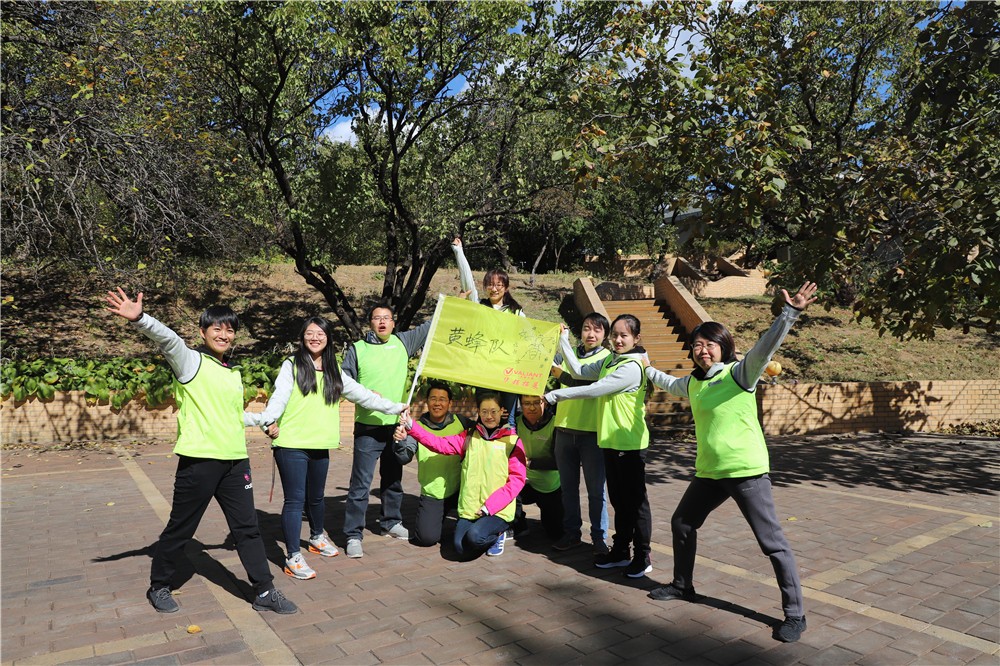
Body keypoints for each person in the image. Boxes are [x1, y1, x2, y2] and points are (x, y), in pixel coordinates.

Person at [642, 281, 818, 644]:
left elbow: (765, 347)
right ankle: (682, 585)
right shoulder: (694, 383)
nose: (702, 350)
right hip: (709, 473)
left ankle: (795, 614)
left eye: (710, 344)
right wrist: (645, 367)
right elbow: (668, 383)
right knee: (682, 523)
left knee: (772, 543)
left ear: (723, 347)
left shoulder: (740, 374)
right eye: (697, 344)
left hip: (746, 472)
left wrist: (790, 313)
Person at [105, 288, 297, 615]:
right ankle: (159, 585)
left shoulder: (231, 371)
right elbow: (168, 340)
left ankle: (264, 591)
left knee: (248, 528)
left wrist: (262, 421)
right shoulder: (190, 362)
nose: (224, 335)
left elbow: (231, 415)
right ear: (203, 332)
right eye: (217, 328)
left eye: (230, 330)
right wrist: (141, 319)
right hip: (200, 462)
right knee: (182, 528)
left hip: (235, 461)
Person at [246, 316, 409, 580]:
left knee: (317, 497)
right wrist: (268, 420)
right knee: (295, 500)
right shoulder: (292, 365)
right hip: (291, 444)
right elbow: (279, 397)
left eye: (320, 334)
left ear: (328, 338)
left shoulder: (334, 369)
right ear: (302, 337)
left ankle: (316, 537)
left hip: (320, 443)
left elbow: (363, 395)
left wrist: (396, 407)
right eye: (310, 333)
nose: (315, 338)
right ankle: (292, 556)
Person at [543, 314, 653, 579]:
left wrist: (554, 395)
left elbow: (596, 389)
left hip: (630, 443)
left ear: (636, 338)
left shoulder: (631, 366)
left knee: (635, 504)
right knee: (619, 502)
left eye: (624, 335)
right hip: (610, 441)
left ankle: (642, 556)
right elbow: (578, 372)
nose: (618, 340)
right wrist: (564, 340)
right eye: (615, 335)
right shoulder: (610, 360)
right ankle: (621, 551)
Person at [340, 304, 431, 559]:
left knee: (393, 479)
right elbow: (343, 383)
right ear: (370, 322)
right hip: (368, 427)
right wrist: (364, 393)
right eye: (377, 318)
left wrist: (455, 300)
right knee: (360, 484)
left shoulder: (403, 342)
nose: (382, 322)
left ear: (393, 322)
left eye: (386, 318)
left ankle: (391, 522)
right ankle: (353, 535)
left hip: (396, 426)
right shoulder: (358, 349)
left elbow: (429, 327)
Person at [396, 391, 526, 560]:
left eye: (493, 411)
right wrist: (411, 425)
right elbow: (438, 443)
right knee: (460, 547)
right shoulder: (469, 436)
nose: (489, 416)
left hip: (497, 510)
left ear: (502, 411)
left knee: (475, 538)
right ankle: (482, 531)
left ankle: (498, 534)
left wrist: (489, 507)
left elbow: (517, 481)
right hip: (471, 508)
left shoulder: (513, 441)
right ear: (478, 412)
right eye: (484, 411)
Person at [549, 312, 611, 554]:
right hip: (564, 429)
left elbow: (585, 385)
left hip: (592, 433)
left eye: (597, 330)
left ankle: (599, 537)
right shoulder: (568, 353)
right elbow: (540, 361)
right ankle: (572, 533)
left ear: (605, 335)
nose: (591, 334)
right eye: (586, 328)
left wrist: (559, 374)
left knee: (596, 492)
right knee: (568, 489)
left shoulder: (607, 359)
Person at [452, 237, 524, 426]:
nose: (494, 288)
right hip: (484, 373)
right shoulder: (479, 306)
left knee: (508, 419)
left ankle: (509, 446)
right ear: (485, 287)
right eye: (490, 285)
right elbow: (468, 284)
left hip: (508, 374)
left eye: (499, 285)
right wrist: (459, 252)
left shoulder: (516, 312)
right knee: (486, 418)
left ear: (506, 288)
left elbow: (530, 337)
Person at [395, 381, 472, 548]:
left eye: (442, 399)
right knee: (427, 538)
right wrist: (400, 442)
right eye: (433, 399)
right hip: (433, 493)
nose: (437, 403)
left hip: (461, 490)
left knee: (470, 536)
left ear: (450, 403)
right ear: (427, 402)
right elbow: (404, 458)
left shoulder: (462, 422)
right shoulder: (416, 428)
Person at [513, 394, 564, 541]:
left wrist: (530, 463)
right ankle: (519, 524)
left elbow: (559, 462)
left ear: (545, 403)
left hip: (549, 485)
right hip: (522, 481)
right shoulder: (515, 423)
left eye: (537, 402)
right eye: (526, 403)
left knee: (556, 533)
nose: (531, 407)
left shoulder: (556, 424)